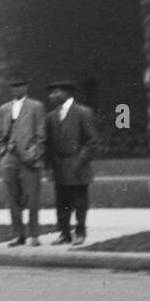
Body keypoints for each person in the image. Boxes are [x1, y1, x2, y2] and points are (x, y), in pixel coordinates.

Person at [43, 78, 98, 246]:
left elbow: (92, 141)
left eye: (56, 92)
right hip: (59, 166)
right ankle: (64, 233)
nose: (52, 95)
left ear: (67, 93)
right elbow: (49, 145)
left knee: (80, 201)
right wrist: (49, 168)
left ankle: (80, 232)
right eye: (52, 92)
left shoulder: (83, 112)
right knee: (62, 202)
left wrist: (80, 160)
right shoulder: (51, 116)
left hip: (77, 165)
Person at [0, 74, 46, 246]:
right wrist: (2, 151)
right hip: (9, 158)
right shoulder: (4, 109)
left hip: (29, 158)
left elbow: (41, 135)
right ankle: (18, 235)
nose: (16, 89)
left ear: (26, 87)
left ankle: (34, 235)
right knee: (12, 198)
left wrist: (33, 153)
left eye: (20, 85)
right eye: (13, 86)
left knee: (32, 198)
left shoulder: (36, 107)